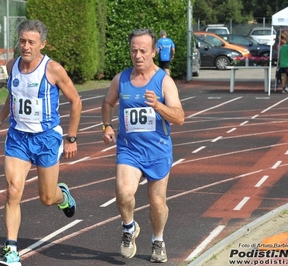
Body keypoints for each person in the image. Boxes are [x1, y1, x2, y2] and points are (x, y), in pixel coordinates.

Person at [0, 19, 82, 266]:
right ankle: (11, 250)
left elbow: (76, 101)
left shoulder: (53, 69)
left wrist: (71, 138)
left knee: (46, 198)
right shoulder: (12, 66)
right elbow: (14, 95)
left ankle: (63, 196)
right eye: (22, 41)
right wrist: (0, 119)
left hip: (47, 139)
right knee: (13, 190)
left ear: (42, 43)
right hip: (18, 137)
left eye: (31, 42)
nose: (26, 46)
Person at [101, 28, 185, 263]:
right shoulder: (121, 79)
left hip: (158, 150)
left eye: (143, 51)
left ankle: (158, 240)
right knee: (124, 192)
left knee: (157, 202)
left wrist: (158, 105)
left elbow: (179, 117)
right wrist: (106, 126)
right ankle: (129, 228)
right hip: (129, 150)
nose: (138, 56)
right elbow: (107, 103)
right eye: (134, 50)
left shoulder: (164, 81)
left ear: (154, 52)